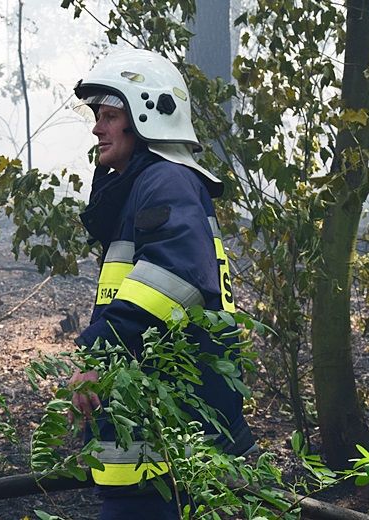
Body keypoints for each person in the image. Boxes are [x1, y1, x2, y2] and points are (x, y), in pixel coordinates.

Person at [68, 49, 257, 519]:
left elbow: (176, 278)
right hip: (156, 431)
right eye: (98, 116)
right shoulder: (146, 187)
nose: (97, 128)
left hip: (170, 438)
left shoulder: (166, 182)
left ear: (149, 117)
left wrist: (100, 356)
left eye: (110, 116)